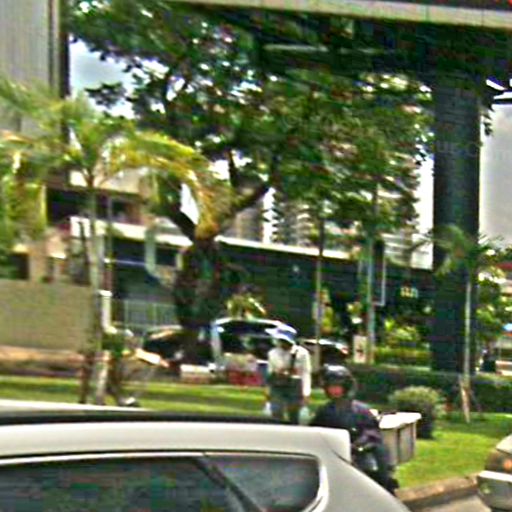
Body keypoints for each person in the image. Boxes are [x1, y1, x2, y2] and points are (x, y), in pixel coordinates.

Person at [310, 365, 396, 492]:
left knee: (378, 455)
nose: (334, 390)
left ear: (346, 387)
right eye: (331, 387)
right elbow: (314, 433)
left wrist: (360, 443)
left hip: (359, 453)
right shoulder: (324, 412)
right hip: (333, 455)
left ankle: (384, 485)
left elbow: (372, 432)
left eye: (337, 386)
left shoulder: (361, 410)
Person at [266, 329, 311, 424]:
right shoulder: (272, 353)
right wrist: (268, 390)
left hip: (295, 384)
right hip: (277, 383)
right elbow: (270, 372)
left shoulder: (302, 353)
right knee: (276, 410)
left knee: (294, 411)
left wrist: (306, 392)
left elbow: (306, 372)